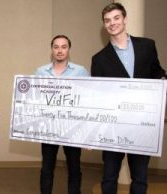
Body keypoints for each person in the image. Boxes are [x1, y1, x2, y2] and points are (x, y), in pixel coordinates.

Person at [91, 3, 166, 194]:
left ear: (124, 19)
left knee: (140, 179)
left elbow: (157, 73)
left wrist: (162, 83)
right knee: (109, 178)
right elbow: (97, 96)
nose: (112, 23)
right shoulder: (98, 59)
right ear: (104, 25)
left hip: (142, 124)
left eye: (116, 18)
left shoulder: (147, 45)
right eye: (107, 20)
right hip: (112, 127)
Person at [35, 35, 89, 194]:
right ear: (52, 50)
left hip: (73, 129)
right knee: (46, 169)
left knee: (74, 169)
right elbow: (33, 98)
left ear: (69, 49)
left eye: (64, 47)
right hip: (48, 128)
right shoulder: (40, 71)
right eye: (56, 47)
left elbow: (89, 101)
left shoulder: (81, 71)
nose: (60, 50)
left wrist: (87, 132)